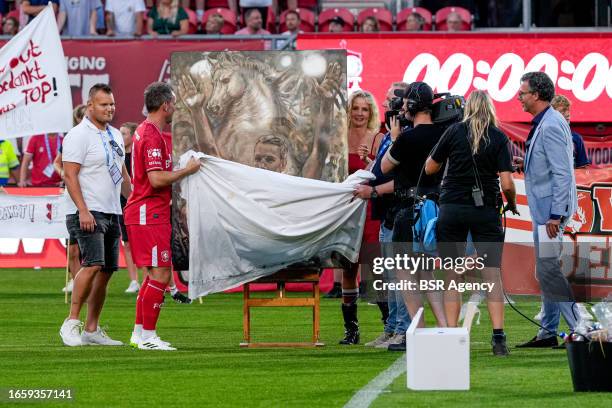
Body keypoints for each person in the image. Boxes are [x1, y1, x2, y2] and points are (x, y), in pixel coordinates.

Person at [425, 90, 518, 356]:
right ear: (490, 109)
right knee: (491, 274)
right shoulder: (499, 137)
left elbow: (430, 167)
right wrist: (510, 202)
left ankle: (452, 336)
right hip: (485, 208)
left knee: (452, 274)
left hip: (452, 207)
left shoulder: (454, 132)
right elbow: (507, 183)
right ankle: (498, 338)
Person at [124, 82, 201, 351]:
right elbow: (156, 179)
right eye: (174, 103)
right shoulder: (152, 135)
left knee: (153, 276)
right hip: (149, 212)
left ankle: (138, 333)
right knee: (160, 275)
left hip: (147, 212)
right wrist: (187, 171)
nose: (175, 108)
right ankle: (148, 337)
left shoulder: (145, 131)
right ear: (166, 104)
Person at [59, 83, 132, 347]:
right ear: (90, 106)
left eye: (112, 104)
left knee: (107, 269)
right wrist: (83, 209)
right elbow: (70, 174)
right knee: (92, 265)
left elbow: (122, 173)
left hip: (112, 210)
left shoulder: (114, 134)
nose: (109, 108)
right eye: (103, 104)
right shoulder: (78, 135)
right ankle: (71, 322)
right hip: (87, 210)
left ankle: (91, 329)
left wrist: (133, 199)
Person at [381, 81, 449, 351]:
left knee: (406, 275)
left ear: (409, 105)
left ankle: (418, 331)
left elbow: (386, 166)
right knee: (429, 273)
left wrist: (396, 138)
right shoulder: (445, 133)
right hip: (435, 209)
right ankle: (444, 327)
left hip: (408, 210)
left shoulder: (407, 138)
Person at [514, 72, 578, 349]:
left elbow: (563, 173)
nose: (520, 97)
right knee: (546, 268)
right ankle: (548, 331)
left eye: (523, 93)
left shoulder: (551, 124)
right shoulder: (548, 121)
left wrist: (555, 214)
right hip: (546, 211)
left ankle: (581, 328)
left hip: (550, 213)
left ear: (536, 95)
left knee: (550, 269)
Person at [354, 81, 413, 350]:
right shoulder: (391, 132)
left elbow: (401, 178)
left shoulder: (405, 134)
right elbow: (382, 166)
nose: (385, 103)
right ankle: (391, 328)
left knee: (399, 276)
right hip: (385, 211)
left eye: (390, 99)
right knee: (389, 275)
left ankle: (402, 329)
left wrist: (373, 190)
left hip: (397, 209)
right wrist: (371, 162)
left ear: (402, 103)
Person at [336, 90, 384, 345]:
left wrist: (369, 159)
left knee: (374, 268)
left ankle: (389, 325)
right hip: (345, 210)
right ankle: (351, 331)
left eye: (364, 109)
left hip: (369, 211)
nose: (359, 114)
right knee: (348, 268)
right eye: (355, 108)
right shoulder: (338, 139)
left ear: (371, 112)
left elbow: (383, 173)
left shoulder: (378, 138)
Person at [55, 104, 87, 293]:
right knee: (73, 248)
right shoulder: (69, 139)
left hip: (92, 198)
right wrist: (65, 174)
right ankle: (76, 282)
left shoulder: (99, 138)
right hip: (71, 198)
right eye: (82, 116)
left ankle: (85, 284)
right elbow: (57, 163)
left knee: (89, 250)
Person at [551, 95, 591, 168]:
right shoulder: (543, 136)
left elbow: (583, 168)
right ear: (552, 114)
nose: (567, 114)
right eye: (562, 111)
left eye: (568, 110)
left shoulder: (576, 138)